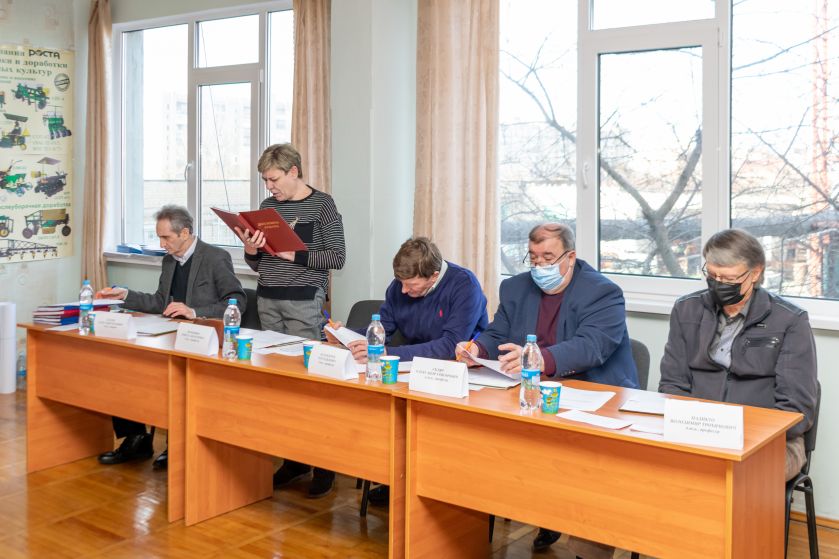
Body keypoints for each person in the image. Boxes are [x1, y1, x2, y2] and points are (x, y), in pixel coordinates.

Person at [457, 223, 638, 556]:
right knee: (479, 442)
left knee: (593, 476)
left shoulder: (603, 292)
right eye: (534, 257)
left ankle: (587, 547)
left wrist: (542, 358)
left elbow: (593, 346)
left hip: (594, 395)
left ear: (570, 257)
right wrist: (476, 348)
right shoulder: (515, 287)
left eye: (548, 257)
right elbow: (497, 333)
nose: (539, 265)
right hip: (531, 393)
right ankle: (536, 512)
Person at [327, 236, 489, 506]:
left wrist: (388, 353)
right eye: (400, 283)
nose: (402, 290)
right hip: (413, 368)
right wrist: (345, 335)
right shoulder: (398, 287)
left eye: (411, 285)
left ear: (433, 276)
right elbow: (383, 329)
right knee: (386, 417)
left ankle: (429, 487)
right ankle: (397, 480)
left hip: (459, 374)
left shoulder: (464, 285)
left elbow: (450, 346)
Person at [660, 228, 818, 482]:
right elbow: (672, 384)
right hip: (696, 431)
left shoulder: (789, 320)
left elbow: (796, 407)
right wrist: (693, 427)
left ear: (755, 273)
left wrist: (741, 434)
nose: (719, 284)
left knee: (738, 477)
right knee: (653, 464)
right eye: (712, 276)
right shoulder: (686, 309)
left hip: (769, 440)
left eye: (729, 278)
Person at [96, 205, 245, 469]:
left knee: (174, 382)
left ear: (185, 233)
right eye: (159, 237)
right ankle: (136, 439)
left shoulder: (215, 257)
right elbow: (160, 302)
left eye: (166, 237)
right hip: (171, 336)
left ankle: (178, 444)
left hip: (203, 340)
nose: (161, 244)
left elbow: (237, 301)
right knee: (125, 368)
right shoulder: (169, 260)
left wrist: (193, 311)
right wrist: (125, 295)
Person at [235, 143, 346, 499]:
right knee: (279, 385)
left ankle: (323, 465)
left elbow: (337, 257)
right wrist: (251, 249)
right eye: (265, 181)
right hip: (267, 297)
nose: (270, 187)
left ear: (294, 171)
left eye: (274, 179)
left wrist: (293, 254)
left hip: (304, 300)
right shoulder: (267, 208)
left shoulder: (322, 204)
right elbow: (259, 263)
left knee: (309, 383)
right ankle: (294, 460)